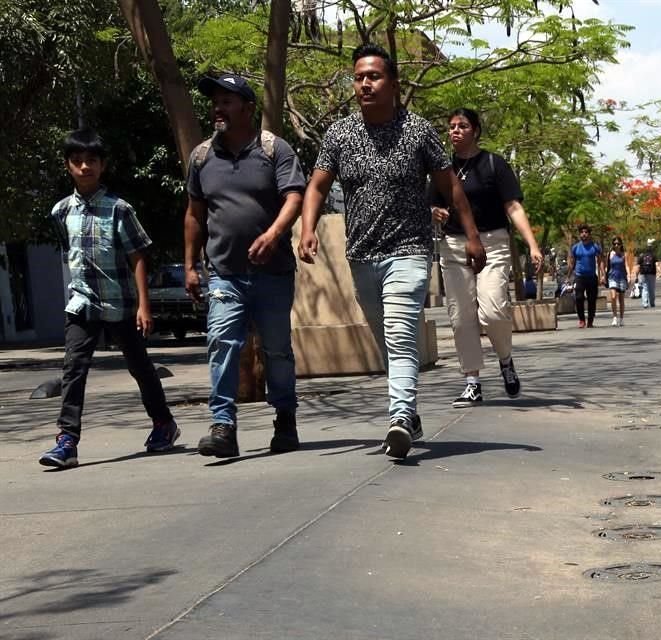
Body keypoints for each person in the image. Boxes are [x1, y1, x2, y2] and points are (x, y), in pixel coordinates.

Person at [299, 45, 486, 459]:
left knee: (401, 334)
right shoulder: (339, 134)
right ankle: (410, 414)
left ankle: (399, 417)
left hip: (410, 249)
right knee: (388, 339)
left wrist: (472, 235)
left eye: (374, 76)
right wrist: (308, 228)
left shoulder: (417, 131)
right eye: (359, 77)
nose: (365, 83)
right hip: (362, 255)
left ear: (394, 84)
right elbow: (317, 186)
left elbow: (450, 185)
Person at [40, 129, 179, 468]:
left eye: (91, 161)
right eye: (77, 162)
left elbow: (138, 257)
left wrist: (144, 305)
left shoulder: (119, 209)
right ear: (68, 166)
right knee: (73, 369)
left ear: (102, 166)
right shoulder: (61, 211)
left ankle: (164, 423)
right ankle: (67, 440)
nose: (84, 167)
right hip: (82, 303)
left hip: (121, 305)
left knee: (141, 369)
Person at [184, 73, 307, 458]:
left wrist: (273, 235)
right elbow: (194, 214)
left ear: (248, 108)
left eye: (227, 101)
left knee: (276, 350)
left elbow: (294, 198)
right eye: (215, 102)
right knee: (222, 343)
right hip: (224, 272)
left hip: (273, 274)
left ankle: (285, 419)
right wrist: (190, 264)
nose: (218, 108)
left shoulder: (275, 150)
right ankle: (223, 427)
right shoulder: (202, 156)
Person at [429, 108, 542, 408]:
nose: (455, 131)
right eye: (451, 126)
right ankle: (472, 383)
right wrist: (434, 212)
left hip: (493, 244)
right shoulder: (443, 168)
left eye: (462, 126)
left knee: (492, 310)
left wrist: (532, 245)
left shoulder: (494, 164)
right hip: (454, 246)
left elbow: (513, 207)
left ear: (476, 131)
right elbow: (431, 204)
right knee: (461, 316)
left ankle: (505, 359)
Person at [566, 225, 604, 328]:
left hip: (591, 277)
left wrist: (603, 275)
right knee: (579, 298)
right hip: (579, 276)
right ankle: (582, 320)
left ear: (589, 234)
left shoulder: (595, 247)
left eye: (586, 232)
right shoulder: (576, 247)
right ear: (579, 234)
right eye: (582, 232)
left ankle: (590, 321)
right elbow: (572, 263)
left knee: (592, 299)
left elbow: (600, 261)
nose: (584, 234)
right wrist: (568, 277)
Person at [606, 236, 628, 326]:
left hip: (622, 277)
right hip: (612, 276)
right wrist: (604, 276)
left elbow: (626, 265)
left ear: (621, 244)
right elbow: (607, 266)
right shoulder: (610, 254)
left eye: (618, 244)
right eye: (614, 244)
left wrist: (629, 275)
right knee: (613, 297)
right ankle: (614, 317)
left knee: (621, 299)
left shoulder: (624, 254)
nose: (616, 245)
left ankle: (621, 318)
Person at [637, 238, 658, 308]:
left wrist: (637, 274)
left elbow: (638, 266)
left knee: (645, 288)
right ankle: (652, 303)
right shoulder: (653, 255)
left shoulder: (642, 256)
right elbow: (657, 264)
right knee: (651, 288)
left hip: (643, 273)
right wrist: (660, 272)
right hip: (652, 273)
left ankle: (645, 303)